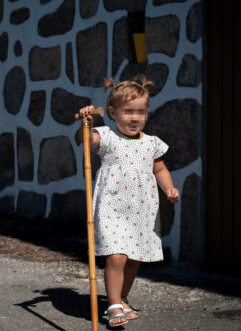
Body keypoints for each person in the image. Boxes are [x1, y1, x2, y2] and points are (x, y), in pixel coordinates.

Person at [77, 75, 179, 327]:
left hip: (141, 210)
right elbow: (87, 142)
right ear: (112, 112)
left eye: (141, 112)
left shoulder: (151, 143)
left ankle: (122, 297)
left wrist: (169, 188)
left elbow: (160, 169)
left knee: (134, 258)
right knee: (117, 256)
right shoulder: (108, 137)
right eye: (128, 112)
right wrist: (87, 123)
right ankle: (112, 305)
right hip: (112, 208)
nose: (135, 118)